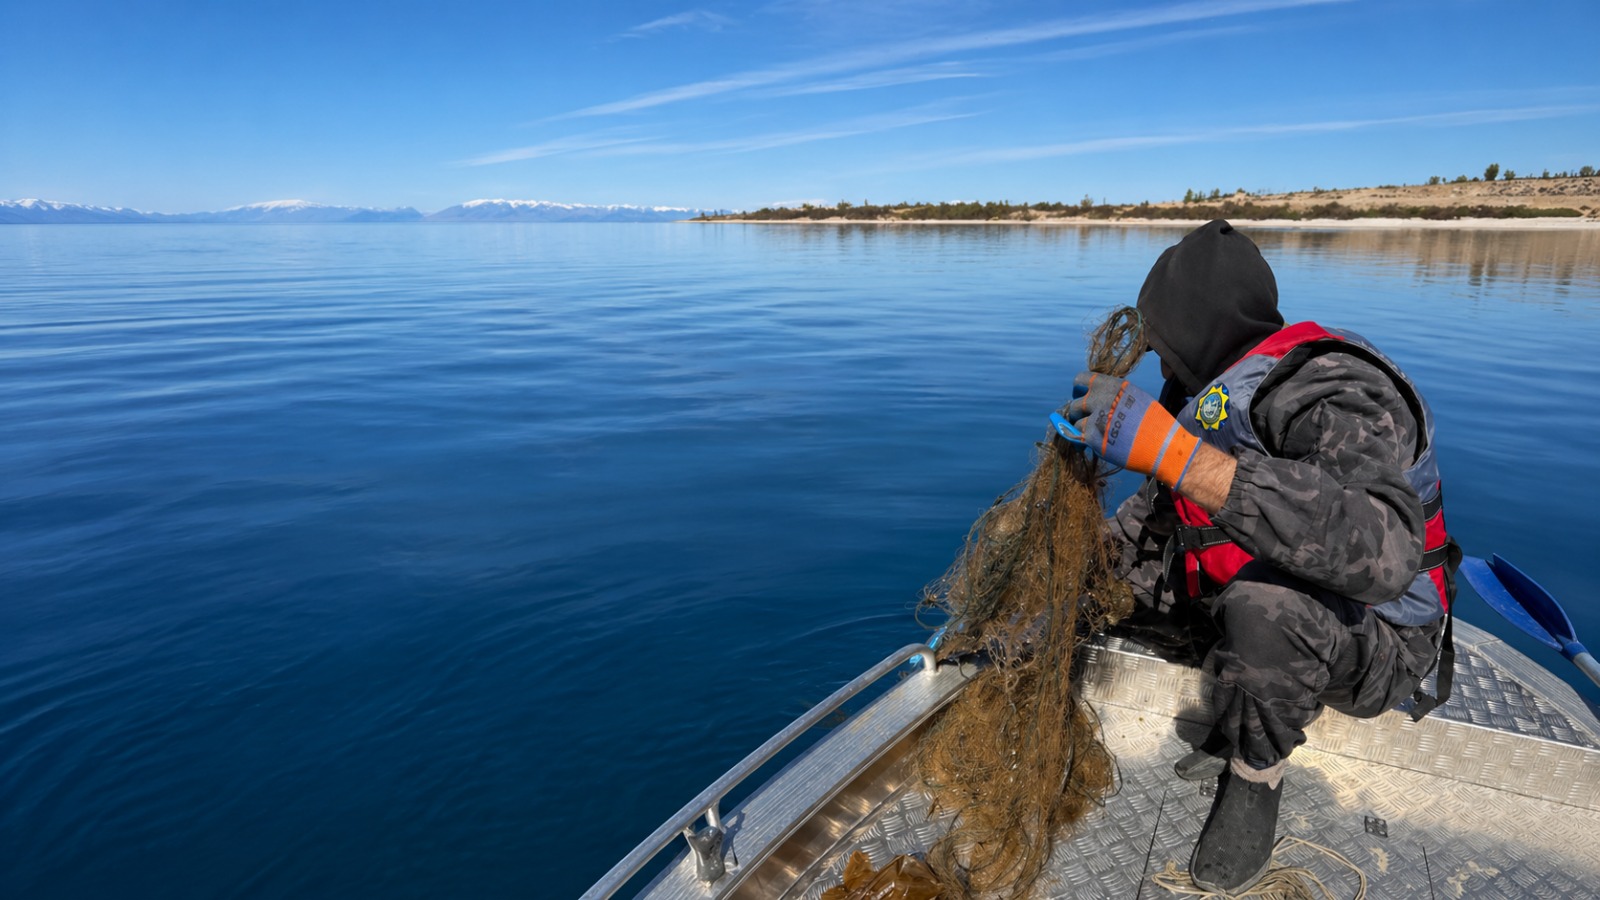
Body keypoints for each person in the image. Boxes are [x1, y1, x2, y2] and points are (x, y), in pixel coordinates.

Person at [1064, 220, 1456, 894]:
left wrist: (1179, 457)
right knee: (1097, 579)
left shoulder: (1331, 388)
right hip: (1251, 592)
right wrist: (1072, 573)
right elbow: (1148, 529)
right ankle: (1229, 697)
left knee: (1266, 607)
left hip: (1377, 638)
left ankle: (1255, 775)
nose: (1159, 364)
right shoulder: (1211, 399)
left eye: (1165, 343)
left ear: (1200, 326)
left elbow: (1385, 556)